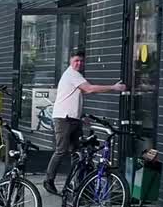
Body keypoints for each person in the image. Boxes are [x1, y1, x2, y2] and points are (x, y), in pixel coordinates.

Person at [43, 50, 127, 194]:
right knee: (61, 150)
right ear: (70, 61)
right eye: (76, 60)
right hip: (64, 119)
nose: (79, 63)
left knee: (78, 153)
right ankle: (48, 180)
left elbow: (78, 95)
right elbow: (89, 89)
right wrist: (114, 87)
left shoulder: (75, 76)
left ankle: (77, 184)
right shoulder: (72, 74)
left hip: (72, 118)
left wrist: (81, 116)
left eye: (81, 61)